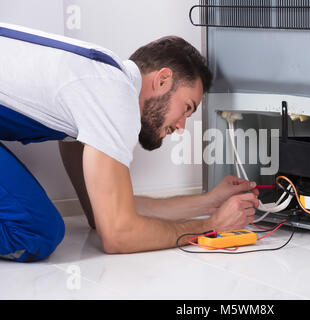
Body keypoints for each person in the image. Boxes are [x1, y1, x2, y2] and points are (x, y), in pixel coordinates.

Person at [0, 23, 259, 262]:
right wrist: (210, 226)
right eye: (186, 108)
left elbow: (103, 211)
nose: (181, 127)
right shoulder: (114, 94)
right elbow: (118, 234)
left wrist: (208, 202)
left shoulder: (99, 88)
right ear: (162, 80)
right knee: (35, 232)